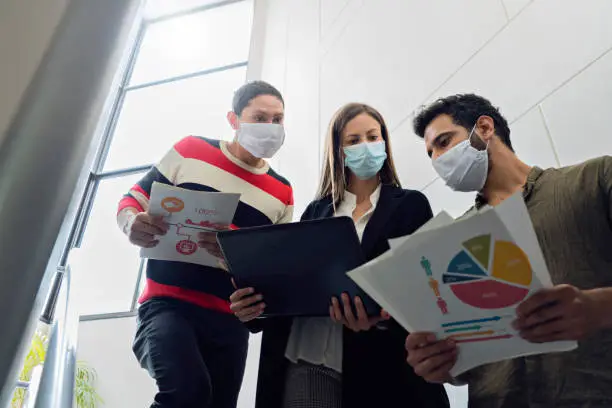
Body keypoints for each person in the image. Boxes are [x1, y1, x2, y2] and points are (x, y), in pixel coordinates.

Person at [230, 103, 450, 408]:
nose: (366, 146)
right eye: (354, 140)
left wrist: (380, 320)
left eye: (373, 137)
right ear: (339, 149)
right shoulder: (315, 212)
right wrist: (255, 307)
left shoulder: (410, 205)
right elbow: (293, 285)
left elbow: (428, 287)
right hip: (310, 355)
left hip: (384, 361)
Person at [406, 93, 612, 407]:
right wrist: (442, 364)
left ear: (485, 128)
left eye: (444, 142)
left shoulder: (593, 181)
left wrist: (599, 308)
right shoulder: (450, 242)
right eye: (431, 154)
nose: (438, 160)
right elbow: (467, 360)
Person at [116, 81, 294, 408]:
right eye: (260, 117)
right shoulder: (191, 150)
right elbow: (132, 199)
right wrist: (131, 223)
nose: (271, 128)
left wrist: (236, 251)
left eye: (278, 120)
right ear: (234, 119)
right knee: (187, 393)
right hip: (168, 306)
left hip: (230, 323)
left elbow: (272, 272)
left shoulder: (282, 192)